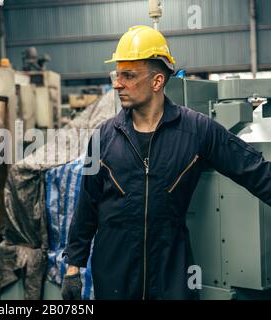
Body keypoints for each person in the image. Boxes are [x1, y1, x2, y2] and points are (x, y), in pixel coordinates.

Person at [61, 25, 271, 300]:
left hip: (172, 271)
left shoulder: (197, 130)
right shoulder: (103, 136)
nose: (117, 83)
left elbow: (254, 170)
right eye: (117, 74)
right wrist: (73, 267)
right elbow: (86, 205)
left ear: (157, 81)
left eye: (128, 75)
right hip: (115, 272)